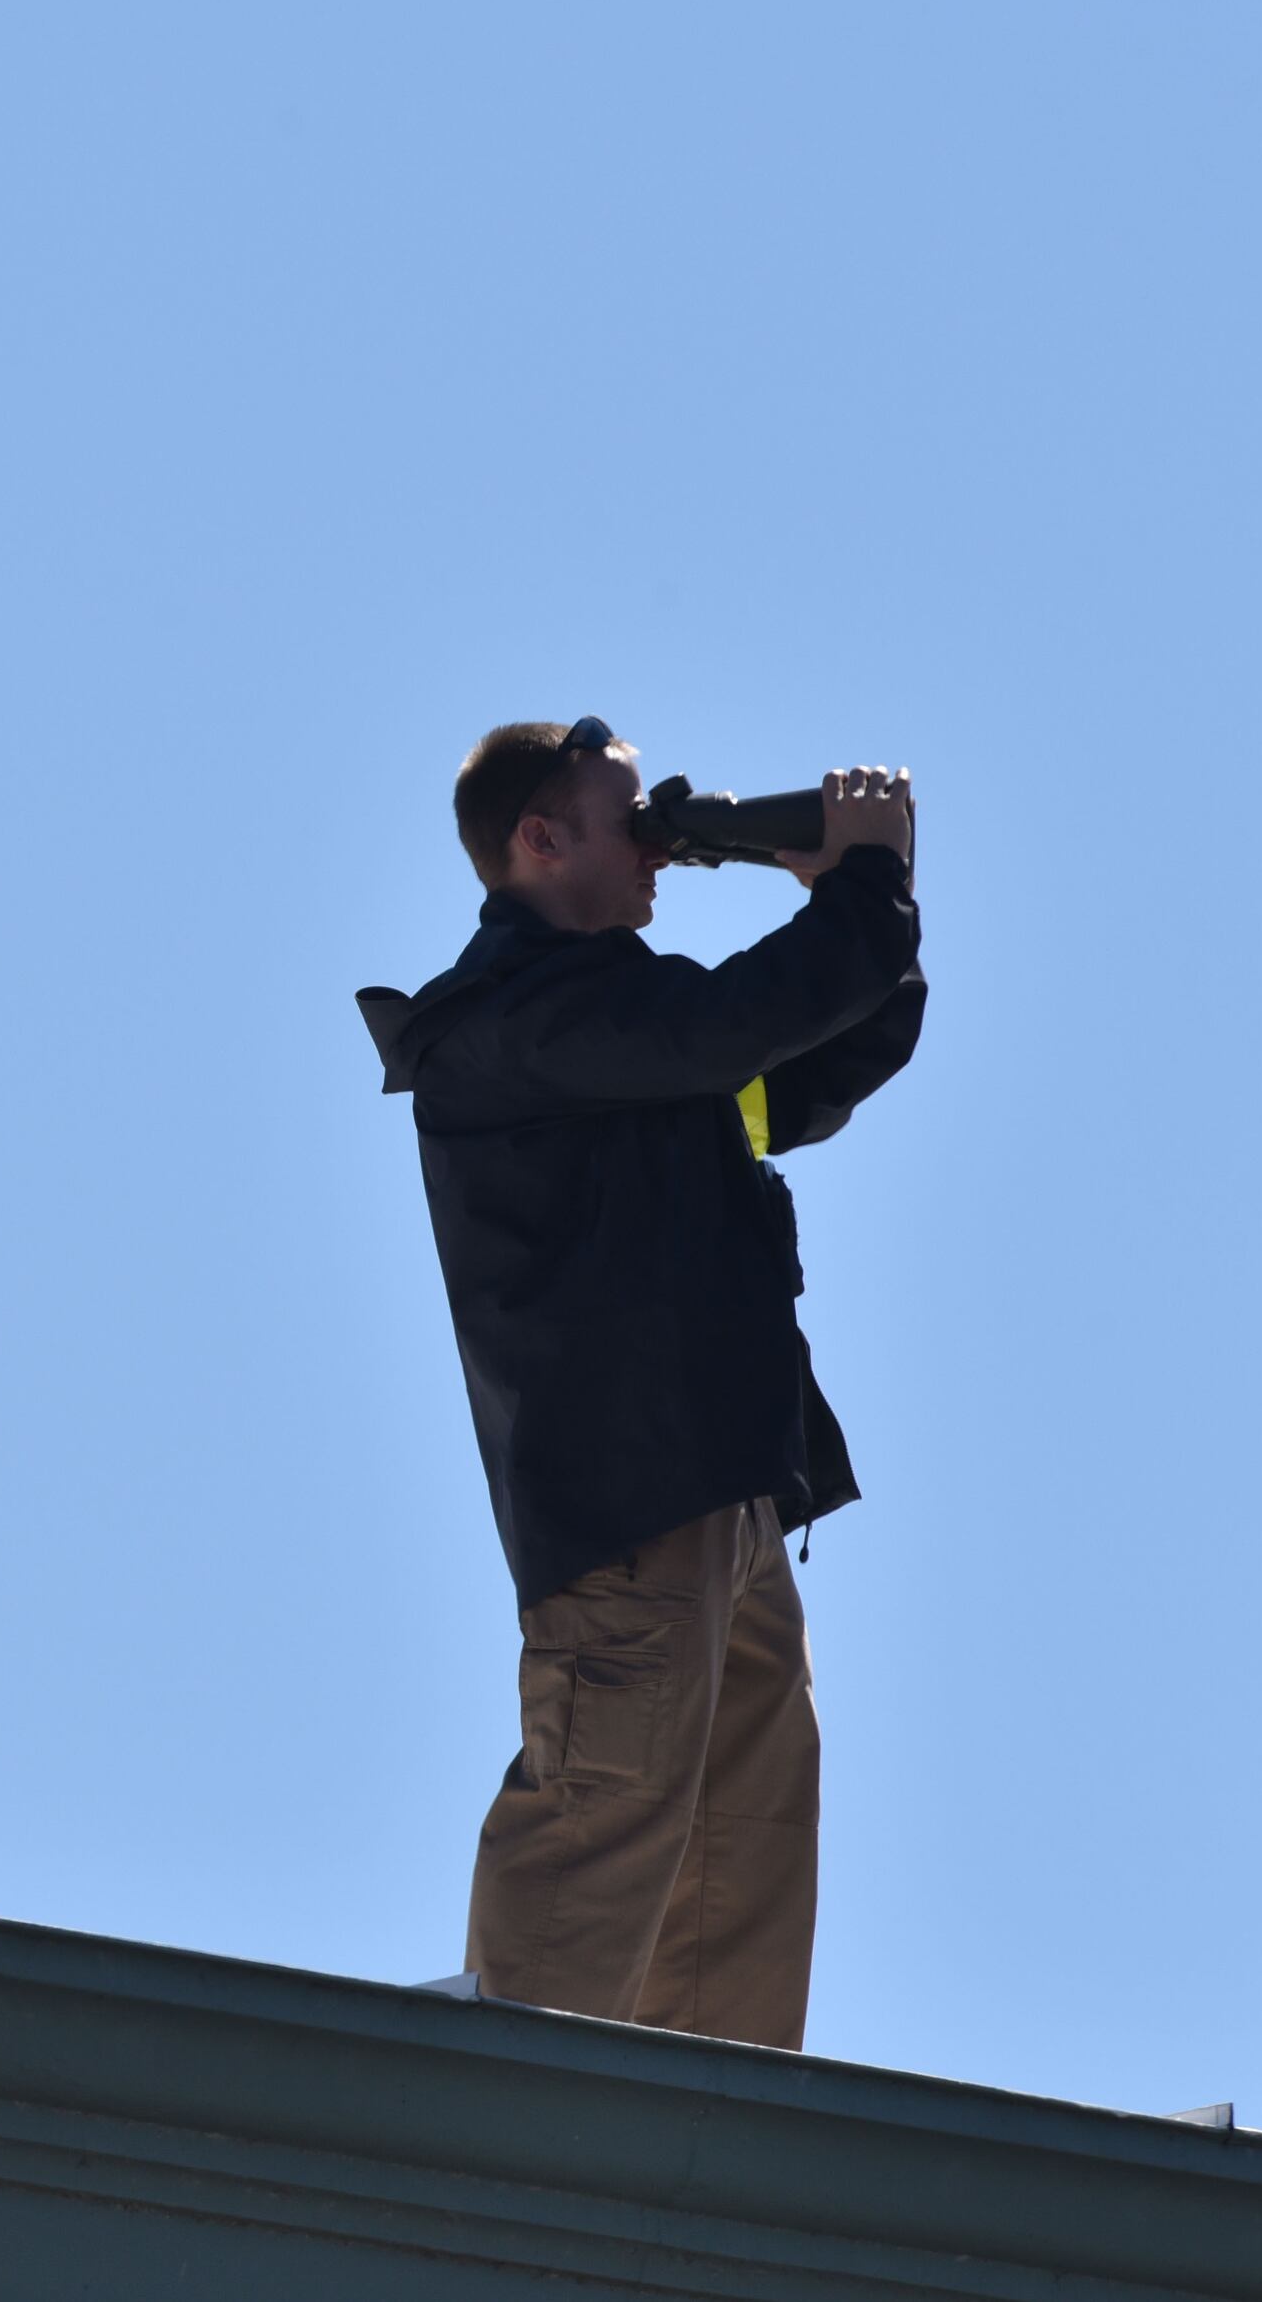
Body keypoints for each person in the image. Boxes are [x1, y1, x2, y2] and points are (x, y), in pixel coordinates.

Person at [354, 717, 923, 2048]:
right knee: (605, 1820)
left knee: (745, 1834)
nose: (660, 848)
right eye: (633, 821)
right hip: (626, 1510)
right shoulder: (510, 1027)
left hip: (724, 1499)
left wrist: (869, 901)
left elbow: (814, 1066)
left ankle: (699, 2169)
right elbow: (731, 1022)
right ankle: (504, 2148)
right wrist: (860, 887)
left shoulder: (631, 1042)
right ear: (537, 842)